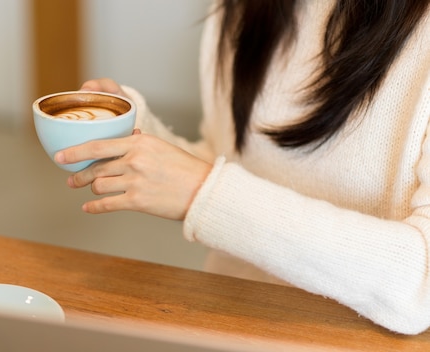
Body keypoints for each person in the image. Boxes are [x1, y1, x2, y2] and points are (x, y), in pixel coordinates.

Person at [53, 0, 430, 335]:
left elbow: (421, 283)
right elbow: (234, 167)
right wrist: (142, 139)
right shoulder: (242, 10)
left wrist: (202, 193)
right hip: (228, 320)